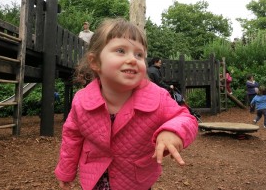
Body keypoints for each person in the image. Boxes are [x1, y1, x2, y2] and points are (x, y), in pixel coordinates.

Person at [54, 18, 198, 190]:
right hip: (95, 178)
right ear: (95, 62)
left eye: (139, 55)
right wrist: (66, 170)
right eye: (121, 50)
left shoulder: (156, 96)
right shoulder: (82, 100)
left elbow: (185, 117)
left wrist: (172, 131)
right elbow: (72, 137)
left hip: (135, 181)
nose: (132, 59)